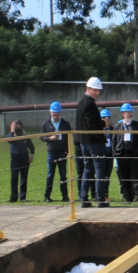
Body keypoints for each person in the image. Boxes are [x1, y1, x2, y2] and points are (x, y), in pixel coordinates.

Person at [74, 77, 106, 207]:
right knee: (99, 169)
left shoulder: (81, 102)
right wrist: (104, 123)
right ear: (88, 89)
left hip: (83, 141)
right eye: (95, 90)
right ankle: (100, 199)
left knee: (87, 169)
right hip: (94, 141)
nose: (97, 93)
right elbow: (92, 123)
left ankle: (84, 198)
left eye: (98, 91)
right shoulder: (89, 103)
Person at [111, 103, 138, 205]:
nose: (130, 114)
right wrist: (115, 153)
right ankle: (128, 198)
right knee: (124, 178)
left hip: (134, 155)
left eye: (131, 112)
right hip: (122, 155)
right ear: (123, 114)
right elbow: (114, 141)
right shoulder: (117, 126)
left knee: (136, 178)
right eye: (128, 112)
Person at [41, 101, 72, 202]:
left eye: (57, 113)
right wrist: (50, 138)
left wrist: (67, 150)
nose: (55, 115)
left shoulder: (65, 124)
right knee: (50, 175)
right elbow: (42, 137)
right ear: (50, 112)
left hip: (62, 153)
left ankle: (65, 196)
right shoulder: (45, 124)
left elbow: (70, 137)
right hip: (51, 153)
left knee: (63, 175)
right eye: (54, 113)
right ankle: (47, 196)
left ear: (60, 112)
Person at [7, 120, 34, 202]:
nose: (16, 126)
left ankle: (22, 197)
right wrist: (12, 130)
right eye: (15, 124)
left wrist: (31, 154)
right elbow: (9, 140)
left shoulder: (25, 136)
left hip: (25, 159)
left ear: (21, 126)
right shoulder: (11, 135)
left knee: (24, 178)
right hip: (15, 159)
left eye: (18, 124)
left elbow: (31, 146)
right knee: (14, 178)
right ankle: (13, 197)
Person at [99, 109, 114, 201]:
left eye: (107, 117)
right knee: (101, 175)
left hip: (110, 155)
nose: (105, 119)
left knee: (107, 176)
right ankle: (100, 194)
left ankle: (106, 194)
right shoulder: (98, 130)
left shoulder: (112, 129)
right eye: (103, 118)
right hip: (101, 155)